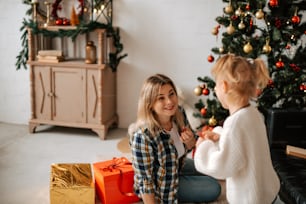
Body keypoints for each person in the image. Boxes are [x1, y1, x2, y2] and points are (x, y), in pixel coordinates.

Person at [194, 54, 280, 204]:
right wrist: (219, 136)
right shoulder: (253, 113)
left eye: (216, 84)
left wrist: (203, 147)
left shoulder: (234, 123)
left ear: (224, 86)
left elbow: (223, 166)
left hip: (249, 199)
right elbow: (244, 145)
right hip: (267, 192)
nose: (214, 88)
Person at [129, 73, 221, 203]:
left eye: (171, 94)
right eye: (161, 98)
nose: (170, 102)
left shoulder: (179, 114)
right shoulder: (142, 136)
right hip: (163, 186)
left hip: (177, 165)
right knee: (213, 187)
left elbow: (189, 147)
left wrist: (190, 142)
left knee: (211, 168)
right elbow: (145, 181)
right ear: (150, 103)